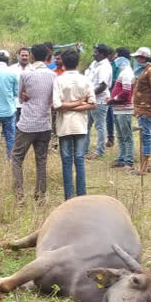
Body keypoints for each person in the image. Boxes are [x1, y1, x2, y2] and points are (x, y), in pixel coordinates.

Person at [12, 43, 55, 202]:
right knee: (41, 160)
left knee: (17, 158)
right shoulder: (52, 75)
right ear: (46, 57)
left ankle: (19, 196)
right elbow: (53, 99)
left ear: (32, 56)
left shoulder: (25, 74)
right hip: (44, 124)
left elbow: (20, 97)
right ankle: (40, 196)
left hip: (27, 123)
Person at [53, 49, 96, 199]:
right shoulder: (85, 80)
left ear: (63, 62)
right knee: (79, 159)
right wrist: (79, 103)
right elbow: (92, 104)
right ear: (78, 62)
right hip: (80, 124)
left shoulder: (58, 80)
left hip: (64, 124)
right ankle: (82, 195)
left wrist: (69, 105)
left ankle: (69, 197)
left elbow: (57, 105)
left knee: (66, 160)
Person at [131, 47, 151, 175]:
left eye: (139, 57)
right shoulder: (144, 70)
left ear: (145, 58)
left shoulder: (150, 71)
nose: (137, 60)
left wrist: (149, 103)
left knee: (147, 137)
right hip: (145, 108)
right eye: (137, 57)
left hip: (147, 109)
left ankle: (143, 168)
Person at [84, 44, 113, 159]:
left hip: (99, 100)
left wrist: (89, 95)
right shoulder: (94, 64)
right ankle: (84, 149)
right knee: (86, 125)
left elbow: (102, 86)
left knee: (100, 126)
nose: (93, 54)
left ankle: (99, 151)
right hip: (90, 99)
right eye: (94, 51)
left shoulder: (105, 66)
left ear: (103, 54)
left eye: (96, 52)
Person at [108, 48, 135, 169]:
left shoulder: (127, 73)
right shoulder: (123, 71)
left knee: (126, 136)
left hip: (124, 109)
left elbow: (126, 93)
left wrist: (113, 99)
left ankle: (128, 160)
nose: (115, 59)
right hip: (118, 109)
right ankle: (121, 158)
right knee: (120, 135)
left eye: (117, 56)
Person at [9, 47, 32, 125]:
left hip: (29, 103)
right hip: (15, 103)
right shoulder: (11, 69)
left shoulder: (34, 69)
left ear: (29, 56)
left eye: (26, 55)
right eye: (22, 55)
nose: (24, 57)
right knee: (14, 125)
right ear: (18, 56)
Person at [105, 49, 118, 149]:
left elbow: (116, 80)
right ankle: (110, 138)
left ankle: (112, 138)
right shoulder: (104, 64)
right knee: (107, 118)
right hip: (105, 94)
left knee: (112, 117)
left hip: (113, 94)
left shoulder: (116, 65)